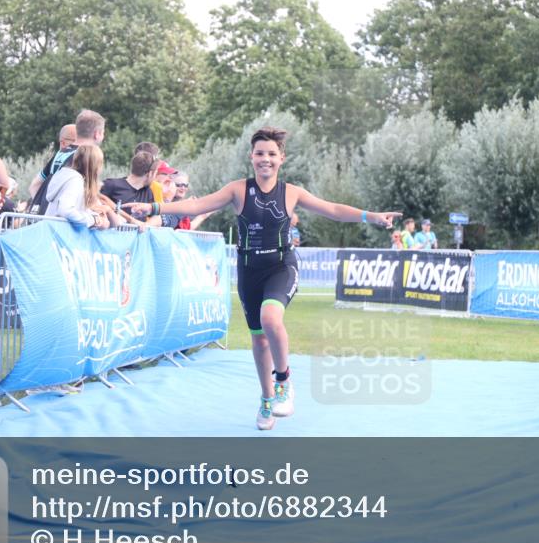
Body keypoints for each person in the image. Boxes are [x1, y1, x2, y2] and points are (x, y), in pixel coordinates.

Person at [129, 127, 400, 430]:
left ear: (282, 158)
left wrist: (370, 216)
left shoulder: (292, 192)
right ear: (252, 157)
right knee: (258, 338)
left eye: (272, 154)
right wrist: (154, 206)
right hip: (249, 270)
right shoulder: (237, 190)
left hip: (281, 266)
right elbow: (196, 205)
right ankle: (267, 398)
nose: (265, 159)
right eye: (260, 153)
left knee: (270, 318)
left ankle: (283, 381)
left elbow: (333, 210)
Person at [29, 110, 106, 199]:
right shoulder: (87, 156)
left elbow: (34, 186)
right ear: (97, 134)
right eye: (103, 133)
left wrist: (43, 205)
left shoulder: (60, 154)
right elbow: (89, 195)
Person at [44, 145, 120, 229]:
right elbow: (65, 210)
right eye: (101, 163)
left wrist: (106, 212)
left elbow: (116, 223)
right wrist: (94, 220)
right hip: (57, 233)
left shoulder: (82, 184)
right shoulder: (74, 181)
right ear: (95, 166)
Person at [101, 150, 160, 225]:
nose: (155, 178)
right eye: (156, 173)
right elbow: (94, 200)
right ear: (150, 173)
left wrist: (146, 225)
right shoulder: (111, 185)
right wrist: (131, 219)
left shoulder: (148, 192)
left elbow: (156, 217)